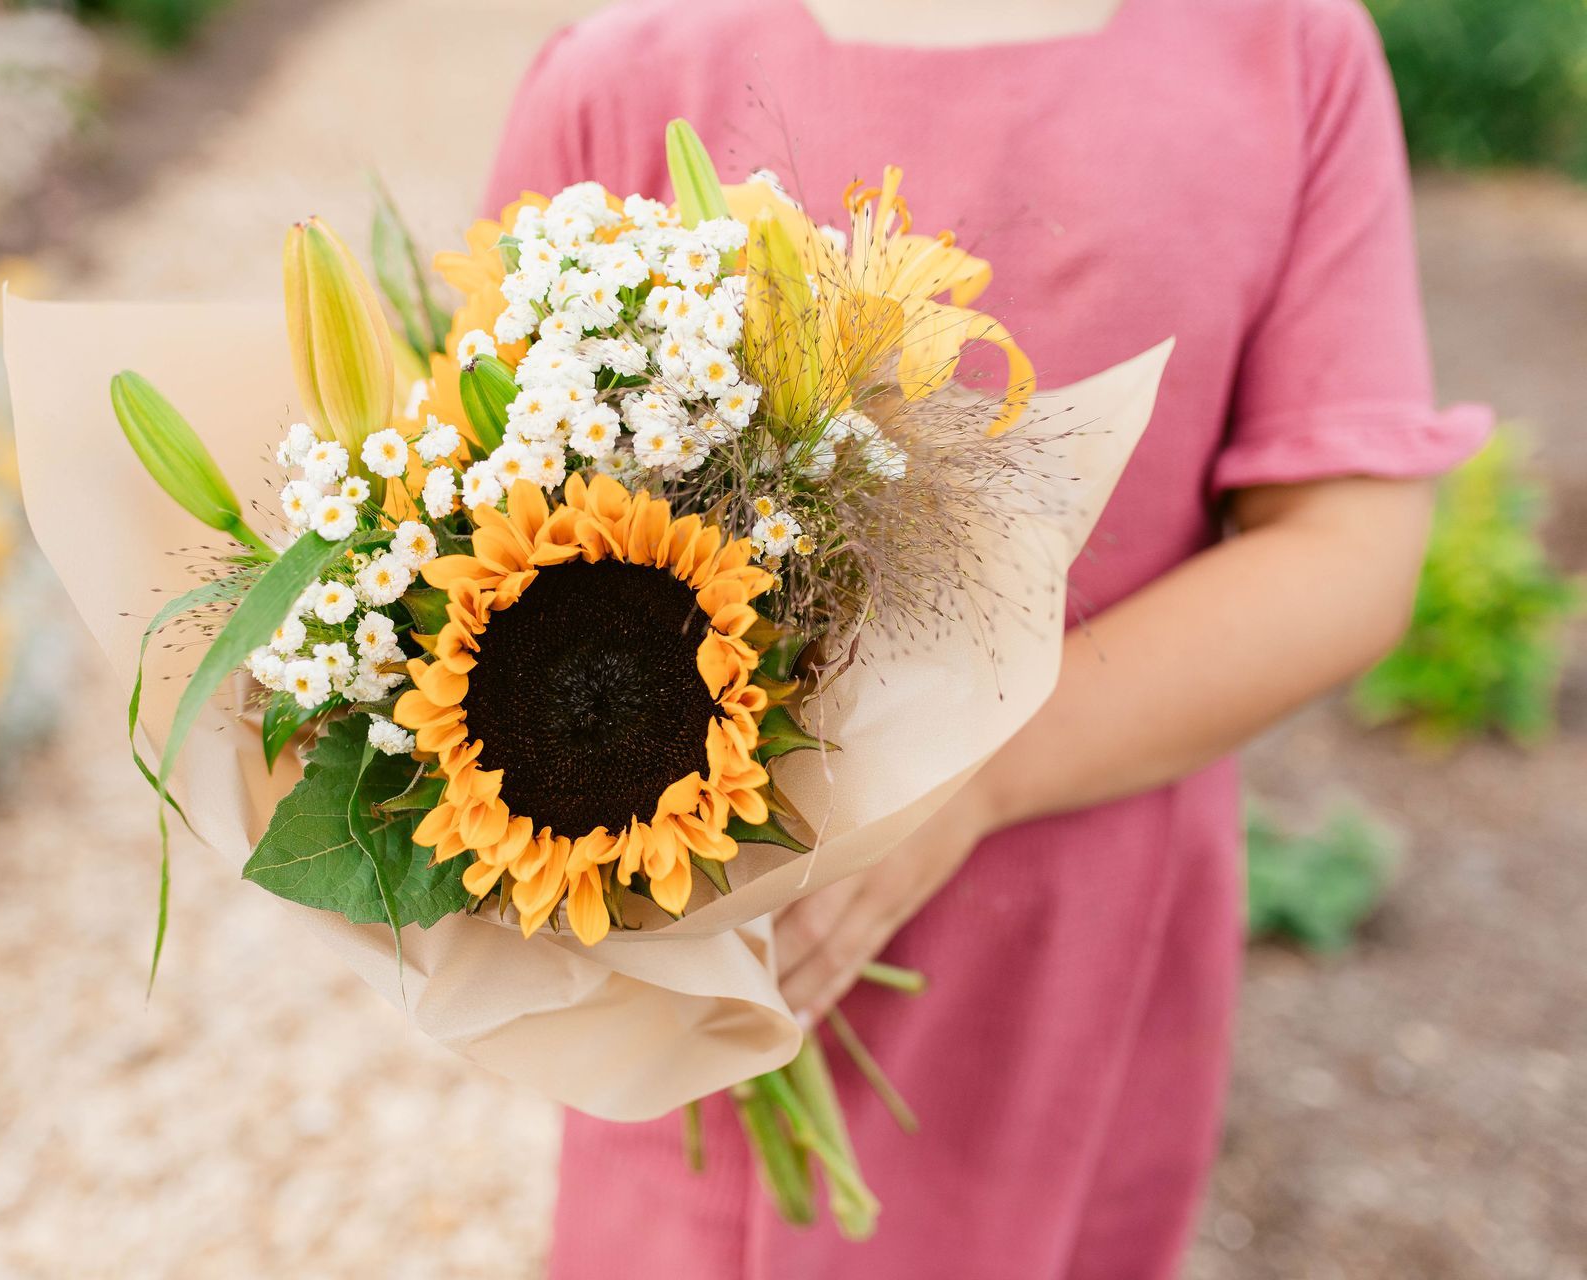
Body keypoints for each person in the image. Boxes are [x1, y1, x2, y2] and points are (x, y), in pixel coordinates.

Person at [481, 0, 1491, 1275]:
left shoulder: (1280, 46)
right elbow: (484, 523)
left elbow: (1346, 552)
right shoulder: (635, 65)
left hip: (1079, 893)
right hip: (714, 920)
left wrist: (978, 777)